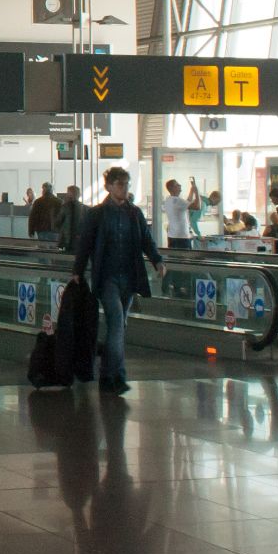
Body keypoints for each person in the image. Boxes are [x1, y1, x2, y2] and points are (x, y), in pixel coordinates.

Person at [71, 166, 166, 396]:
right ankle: (116, 376)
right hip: (107, 277)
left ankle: (106, 374)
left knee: (120, 325)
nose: (125, 188)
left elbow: (146, 240)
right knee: (115, 322)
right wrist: (78, 270)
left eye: (126, 184)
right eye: (120, 184)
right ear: (110, 186)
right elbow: (85, 245)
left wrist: (157, 261)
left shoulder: (134, 213)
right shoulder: (97, 214)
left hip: (129, 277)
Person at [161, 179, 192, 250]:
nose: (180, 185)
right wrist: (195, 190)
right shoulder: (177, 201)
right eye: (177, 185)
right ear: (172, 188)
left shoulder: (169, 200)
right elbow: (197, 206)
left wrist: (192, 189)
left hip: (172, 236)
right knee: (184, 259)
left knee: (174, 258)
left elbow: (187, 202)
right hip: (181, 237)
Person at [55, 184, 85, 253]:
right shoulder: (84, 208)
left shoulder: (65, 207)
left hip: (67, 239)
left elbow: (58, 222)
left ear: (70, 194)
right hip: (79, 239)